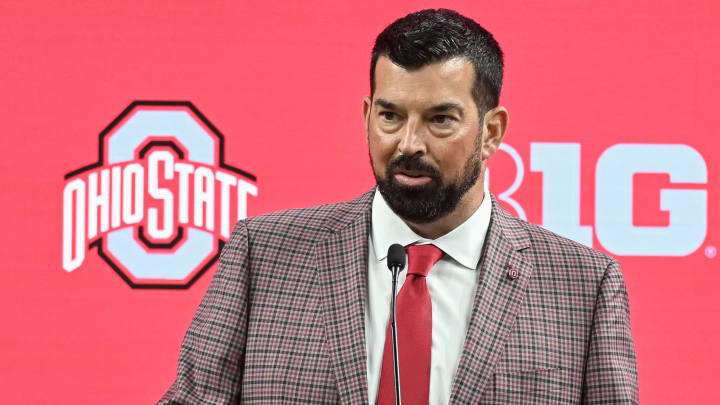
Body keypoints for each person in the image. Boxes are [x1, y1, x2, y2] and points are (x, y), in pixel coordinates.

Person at [159, 8, 638, 404]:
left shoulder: (584, 287)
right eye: (390, 116)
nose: (408, 143)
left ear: (491, 132)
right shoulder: (263, 255)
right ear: (368, 116)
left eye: (440, 120)